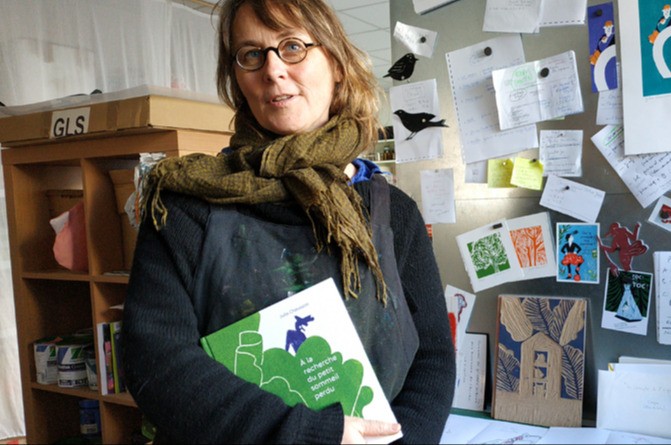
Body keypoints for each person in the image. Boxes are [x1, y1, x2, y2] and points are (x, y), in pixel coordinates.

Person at [122, 0, 455, 443]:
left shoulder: (393, 212)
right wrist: (307, 435)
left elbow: (433, 357)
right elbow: (156, 364)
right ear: (237, 80)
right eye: (251, 54)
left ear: (336, 64)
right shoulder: (186, 208)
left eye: (293, 46)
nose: (273, 70)